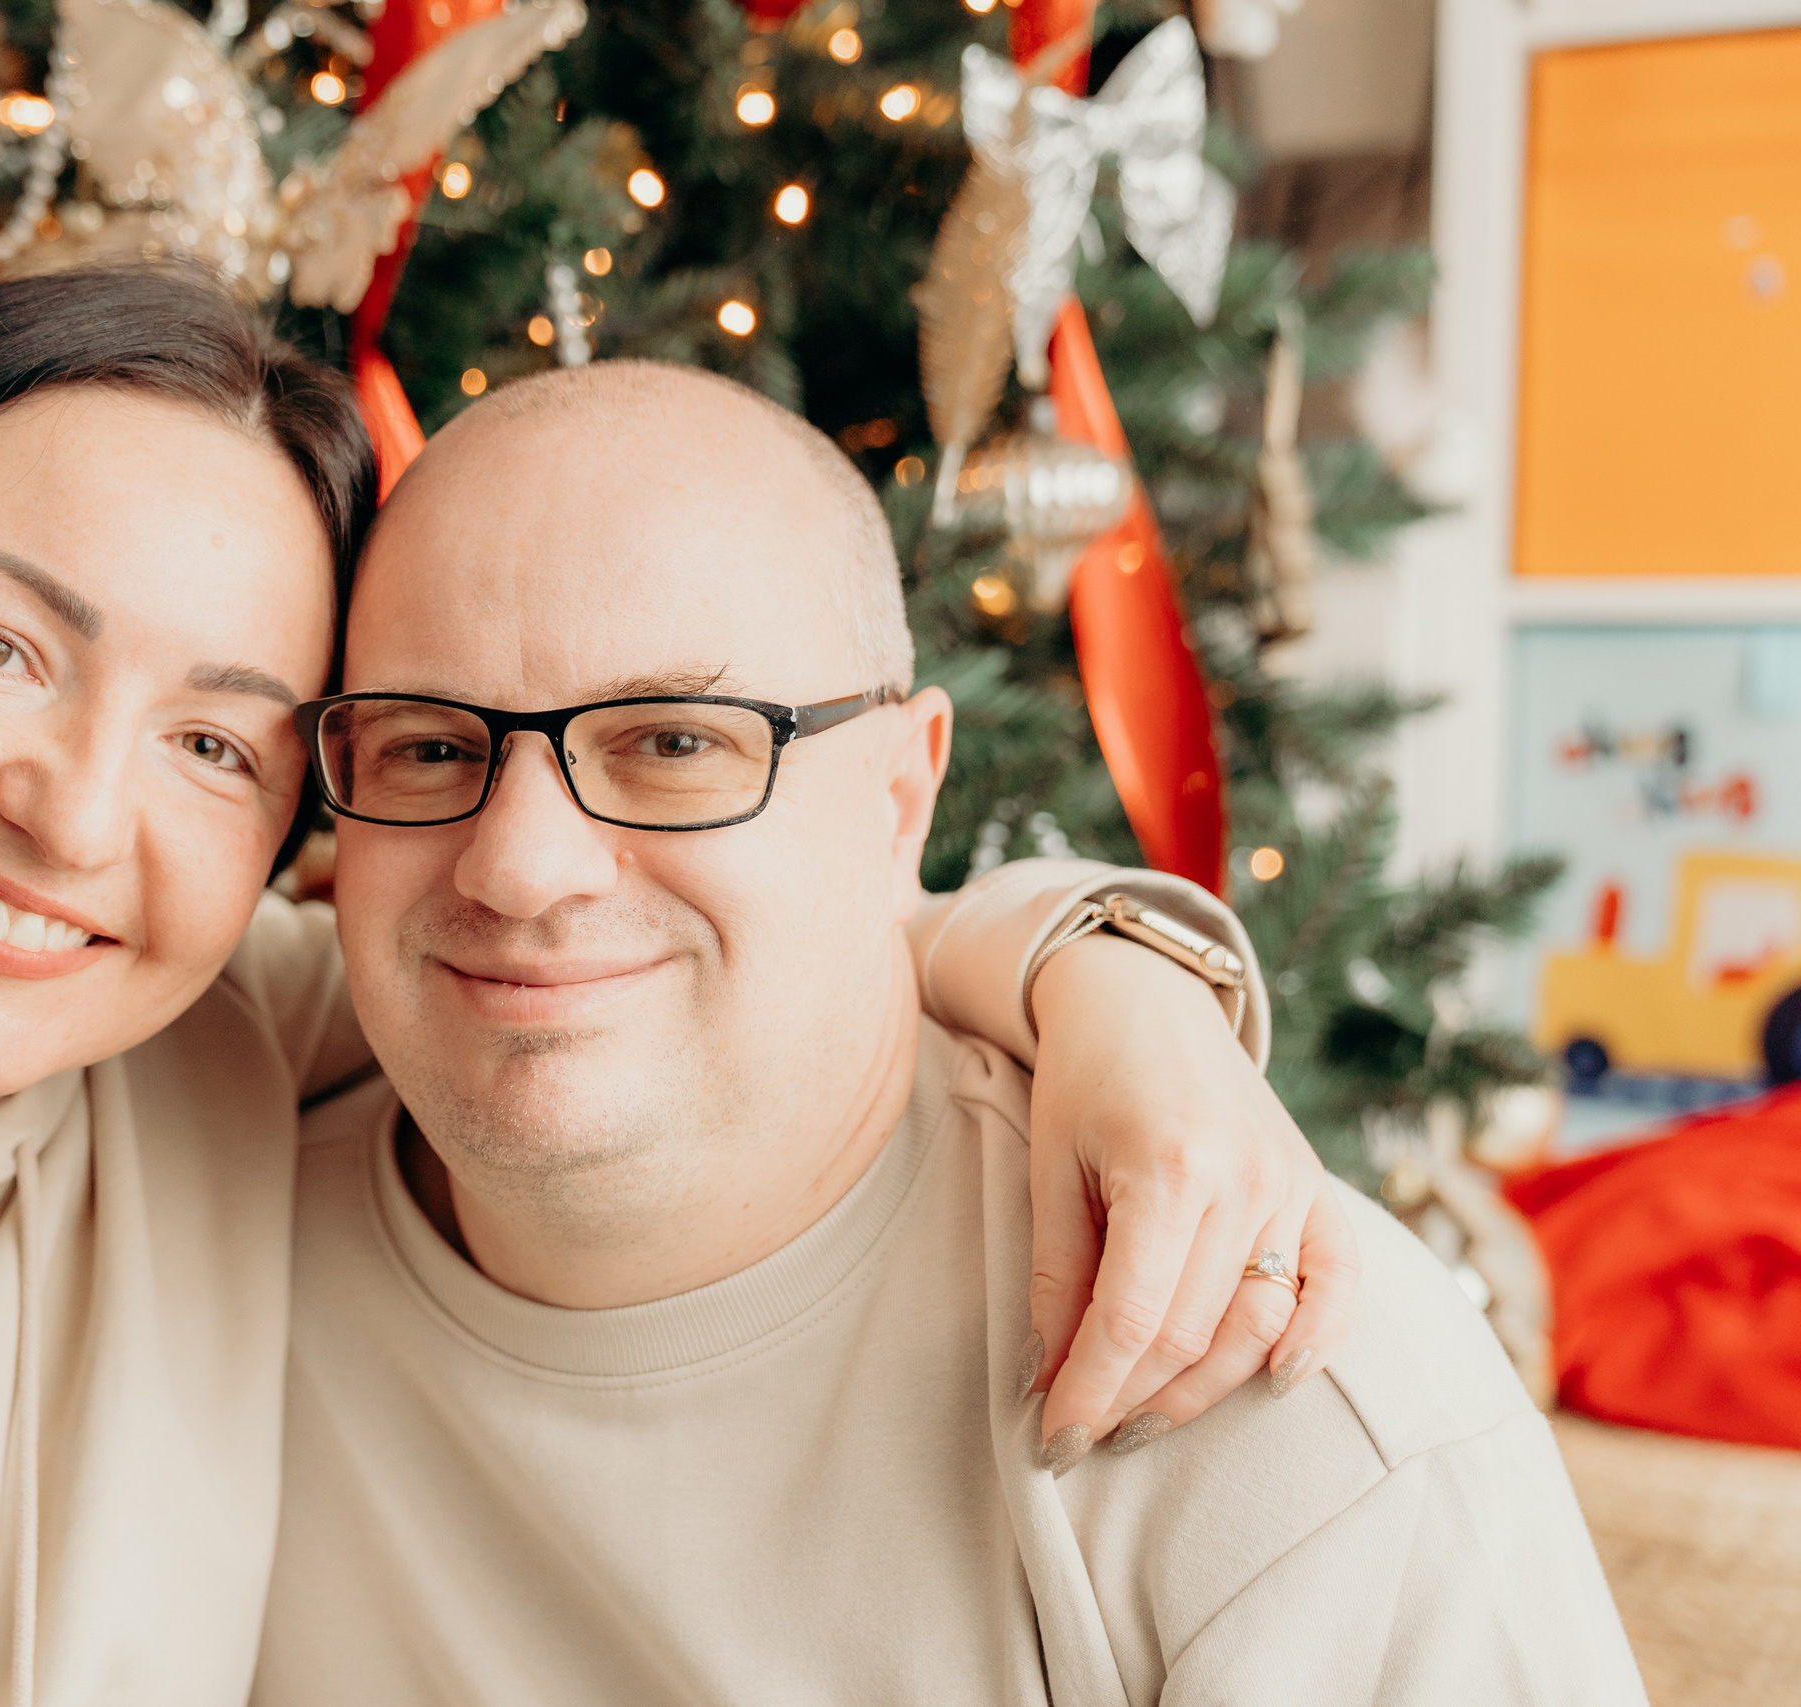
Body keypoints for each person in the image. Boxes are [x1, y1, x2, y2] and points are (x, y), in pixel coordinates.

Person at [0, 272, 1338, 1707]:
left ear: (291, 829)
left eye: (217, 740)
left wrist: (1116, 985)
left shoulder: (220, 1048)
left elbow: (687, 932)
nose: (68, 817)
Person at [253, 361, 1645, 1705]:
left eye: (675, 743)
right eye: (429, 746)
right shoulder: (195, 1226)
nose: (520, 868)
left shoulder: (1266, 1365)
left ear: (902, 796)